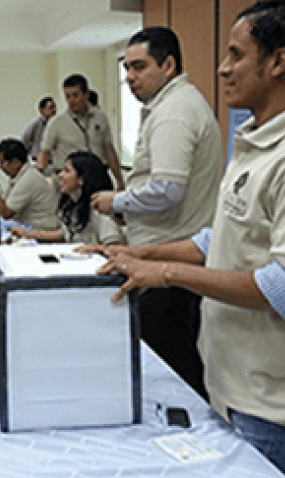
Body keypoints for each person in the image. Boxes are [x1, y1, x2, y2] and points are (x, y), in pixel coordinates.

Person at [94, 0, 285, 478]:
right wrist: (144, 254)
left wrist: (167, 274)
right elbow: (221, 238)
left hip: (282, 404)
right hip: (237, 385)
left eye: (236, 55)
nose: (221, 68)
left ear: (279, 62)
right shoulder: (257, 143)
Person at [90, 26, 223, 398]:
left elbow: (167, 189)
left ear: (168, 65)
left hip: (169, 258)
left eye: (139, 67)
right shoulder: (176, 105)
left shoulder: (173, 113)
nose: (131, 77)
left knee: (170, 366)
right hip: (168, 252)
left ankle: (190, 428)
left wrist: (116, 201)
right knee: (173, 358)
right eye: (127, 69)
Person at [11, 151, 123, 246]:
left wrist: (95, 249)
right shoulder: (73, 206)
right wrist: (27, 234)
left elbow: (116, 248)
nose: (60, 175)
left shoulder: (101, 211)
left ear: (81, 179)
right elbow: (64, 234)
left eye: (67, 171)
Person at [36, 74, 123, 186]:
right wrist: (39, 179)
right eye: (68, 96)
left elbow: (109, 150)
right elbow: (45, 153)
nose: (71, 100)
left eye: (75, 95)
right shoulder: (56, 122)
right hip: (68, 181)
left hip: (96, 177)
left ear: (86, 94)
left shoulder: (100, 117)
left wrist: (120, 181)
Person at [0, 138, 59, 232]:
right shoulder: (20, 176)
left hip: (41, 229)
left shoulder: (29, 179)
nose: (0, 168)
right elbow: (5, 203)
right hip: (30, 227)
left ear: (16, 162)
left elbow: (6, 213)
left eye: (2, 163)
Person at [20, 95, 56, 159]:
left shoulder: (55, 124)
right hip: (36, 159)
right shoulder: (35, 123)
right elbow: (24, 139)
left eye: (54, 107)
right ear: (42, 110)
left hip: (51, 159)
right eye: (51, 107)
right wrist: (32, 153)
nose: (54, 110)